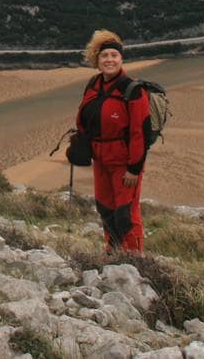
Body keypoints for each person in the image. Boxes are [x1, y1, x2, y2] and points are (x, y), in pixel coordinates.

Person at [75, 29, 151, 252]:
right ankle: (113, 252)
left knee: (126, 211)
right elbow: (85, 118)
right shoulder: (93, 85)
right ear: (97, 61)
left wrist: (134, 169)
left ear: (121, 59)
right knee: (105, 208)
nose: (109, 60)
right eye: (104, 56)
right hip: (100, 160)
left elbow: (140, 133)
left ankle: (134, 258)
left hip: (125, 164)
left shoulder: (133, 90)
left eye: (114, 55)